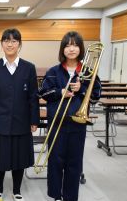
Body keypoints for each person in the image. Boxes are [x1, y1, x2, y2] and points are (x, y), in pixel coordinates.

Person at [39, 31, 102, 201]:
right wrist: (60, 92)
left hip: (78, 124)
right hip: (57, 121)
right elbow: (43, 92)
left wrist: (82, 88)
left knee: (74, 163)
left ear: (80, 48)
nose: (71, 49)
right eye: (67, 45)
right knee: (55, 161)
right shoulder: (53, 71)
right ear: (63, 49)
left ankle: (70, 196)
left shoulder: (88, 71)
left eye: (74, 45)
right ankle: (55, 196)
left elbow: (96, 95)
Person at [0, 28, 40, 201]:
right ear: (1, 44)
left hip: (21, 121)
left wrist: (34, 119)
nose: (10, 44)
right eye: (6, 40)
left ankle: (17, 190)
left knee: (19, 157)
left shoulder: (29, 68)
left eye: (14, 41)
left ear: (20, 45)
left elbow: (33, 96)